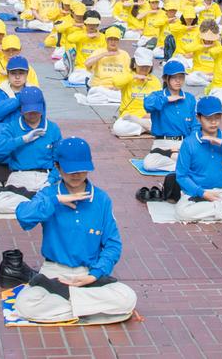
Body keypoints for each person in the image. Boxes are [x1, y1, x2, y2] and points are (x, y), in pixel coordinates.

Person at [12, 137, 137, 323]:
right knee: (25, 304)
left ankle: (69, 302)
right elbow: (23, 216)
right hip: (53, 275)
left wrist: (94, 274)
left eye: (82, 169)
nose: (77, 175)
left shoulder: (101, 199)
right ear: (57, 166)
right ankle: (91, 310)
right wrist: (55, 201)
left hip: (88, 274)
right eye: (71, 170)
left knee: (127, 298)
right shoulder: (49, 194)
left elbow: (112, 245)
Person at [0, 87, 63, 214]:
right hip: (20, 176)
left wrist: (51, 180)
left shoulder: (52, 128)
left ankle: (33, 203)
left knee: (72, 199)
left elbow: (60, 160)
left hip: (45, 176)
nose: (33, 114)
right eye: (29, 111)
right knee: (0, 204)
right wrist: (22, 140)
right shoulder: (12, 127)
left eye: (36, 110)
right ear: (21, 109)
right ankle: (41, 203)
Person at [140, 61, 197, 171]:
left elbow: (195, 124)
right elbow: (147, 104)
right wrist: (167, 99)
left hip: (184, 143)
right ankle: (183, 165)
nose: (178, 80)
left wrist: (191, 143)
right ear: (166, 78)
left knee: (202, 160)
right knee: (149, 165)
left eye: (181, 77)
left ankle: (180, 161)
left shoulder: (189, 98)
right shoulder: (158, 95)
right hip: (162, 144)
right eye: (174, 77)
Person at [110, 48, 162, 138]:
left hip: (148, 117)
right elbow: (116, 82)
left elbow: (159, 102)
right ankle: (149, 128)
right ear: (134, 64)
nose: (144, 69)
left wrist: (151, 114)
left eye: (147, 66)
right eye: (142, 66)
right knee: (119, 128)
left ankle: (145, 126)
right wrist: (134, 76)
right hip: (129, 117)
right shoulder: (128, 76)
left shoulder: (155, 80)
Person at [81, 27, 131, 105]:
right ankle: (112, 99)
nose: (113, 42)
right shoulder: (99, 52)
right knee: (95, 95)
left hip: (116, 90)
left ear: (119, 41)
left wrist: (119, 87)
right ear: (106, 40)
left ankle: (109, 98)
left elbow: (129, 74)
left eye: (115, 39)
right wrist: (104, 54)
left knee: (128, 95)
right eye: (110, 39)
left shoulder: (124, 54)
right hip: (100, 88)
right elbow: (87, 63)